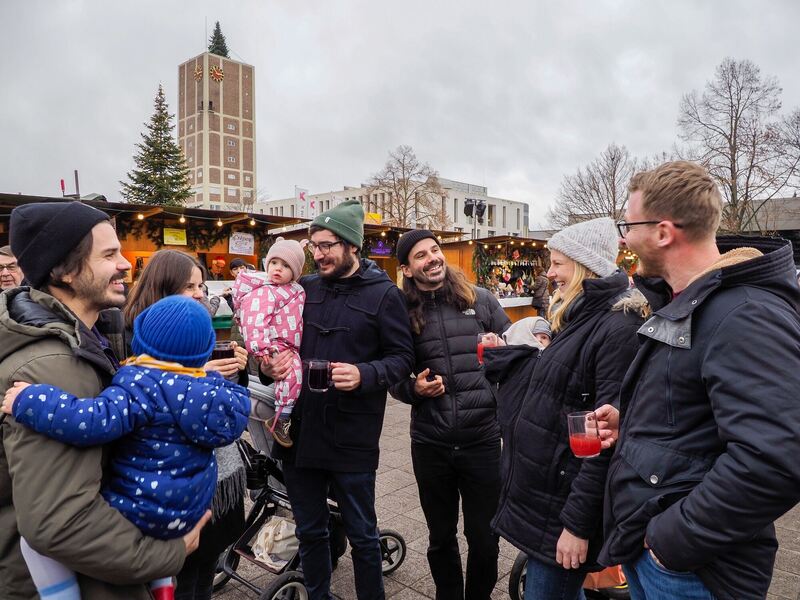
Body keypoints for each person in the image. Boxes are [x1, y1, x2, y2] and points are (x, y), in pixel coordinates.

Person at [599, 161, 800, 600]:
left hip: (693, 573)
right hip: (667, 560)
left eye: (628, 225)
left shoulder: (745, 313)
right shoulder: (692, 302)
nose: (623, 237)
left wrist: (669, 542)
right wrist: (630, 423)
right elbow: (694, 414)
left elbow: (775, 459)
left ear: (664, 232)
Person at [0, 202, 205, 599]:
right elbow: (61, 523)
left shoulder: (84, 341)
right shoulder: (56, 367)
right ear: (64, 271)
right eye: (109, 255)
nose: (127, 264)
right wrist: (169, 553)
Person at [2, 295, 249, 600]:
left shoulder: (143, 385)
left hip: (141, 508)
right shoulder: (213, 391)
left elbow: (90, 421)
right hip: (186, 512)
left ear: (143, 343)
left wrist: (31, 400)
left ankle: (60, 596)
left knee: (33, 542)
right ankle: (162, 584)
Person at [484, 217, 647, 600]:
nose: (550, 272)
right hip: (547, 506)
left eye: (557, 263)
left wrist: (577, 526)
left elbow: (606, 441)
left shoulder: (616, 328)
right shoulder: (580, 318)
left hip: (563, 514)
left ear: (583, 265)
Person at [260, 199, 414, 600]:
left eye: (326, 245)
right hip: (300, 434)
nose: (318, 253)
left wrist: (365, 374)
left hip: (352, 435)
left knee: (363, 535)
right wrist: (269, 366)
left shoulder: (384, 295)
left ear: (351, 246)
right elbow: (277, 344)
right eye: (313, 245)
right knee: (310, 531)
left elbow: (402, 359)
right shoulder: (303, 288)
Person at [122, 249, 250, 600]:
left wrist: (236, 372)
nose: (199, 293)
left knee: (203, 573)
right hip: (165, 488)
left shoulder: (204, 324)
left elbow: (227, 415)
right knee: (179, 583)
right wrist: (196, 380)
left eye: (201, 285)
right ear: (161, 288)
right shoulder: (135, 332)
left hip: (212, 478)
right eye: (189, 285)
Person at [389, 229, 510, 600]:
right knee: (440, 537)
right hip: (431, 443)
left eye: (435, 250)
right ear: (408, 270)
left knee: (485, 537)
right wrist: (414, 390)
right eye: (421, 255)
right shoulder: (402, 313)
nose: (432, 258)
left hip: (483, 440)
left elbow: (518, 352)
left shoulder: (481, 300)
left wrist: (503, 349)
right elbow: (394, 374)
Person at [233, 238, 306, 447]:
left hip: (287, 344)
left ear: (296, 272)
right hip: (274, 344)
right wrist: (260, 346)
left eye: (285, 266)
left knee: (291, 377)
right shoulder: (265, 291)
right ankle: (282, 417)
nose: (278, 269)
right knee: (293, 375)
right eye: (274, 263)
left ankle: (282, 416)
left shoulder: (294, 290)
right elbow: (254, 320)